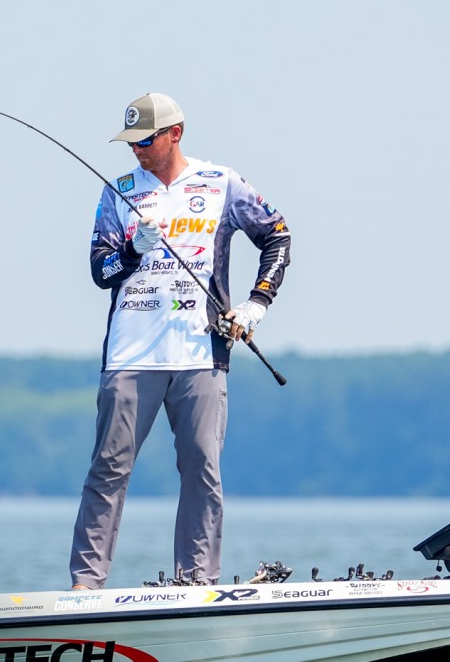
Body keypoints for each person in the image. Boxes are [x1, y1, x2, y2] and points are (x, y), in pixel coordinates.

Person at [69, 93, 291, 589]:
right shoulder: (119, 191)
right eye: (130, 143)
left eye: (146, 140)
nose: (137, 150)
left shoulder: (222, 183)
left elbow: (278, 235)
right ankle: (85, 584)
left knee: (201, 471)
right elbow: (100, 270)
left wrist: (255, 304)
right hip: (129, 355)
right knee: (107, 469)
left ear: (175, 134)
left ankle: (196, 583)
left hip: (200, 353)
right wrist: (132, 249)